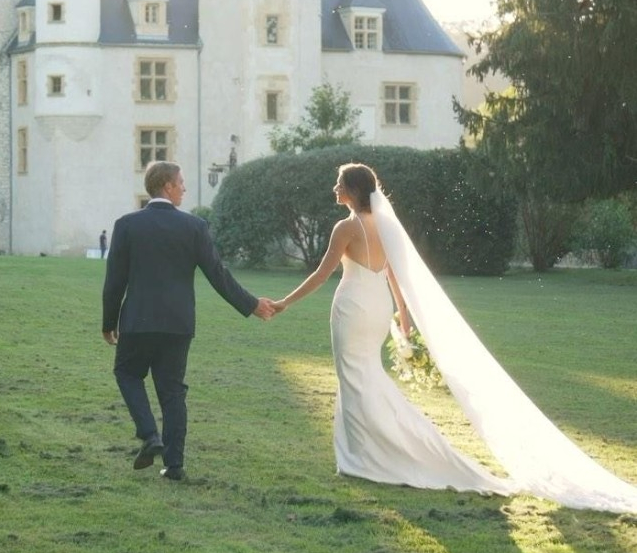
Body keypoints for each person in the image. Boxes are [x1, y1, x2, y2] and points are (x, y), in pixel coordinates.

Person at [273, 163, 637, 513]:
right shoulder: (384, 225)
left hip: (353, 307)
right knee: (366, 376)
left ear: (353, 190)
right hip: (378, 307)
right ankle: (366, 451)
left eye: (340, 184)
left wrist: (284, 302)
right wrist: (402, 315)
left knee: (354, 377)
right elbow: (394, 274)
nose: (335, 189)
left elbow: (322, 274)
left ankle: (363, 458)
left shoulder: (346, 228)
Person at [102, 160, 276, 481]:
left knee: (127, 373)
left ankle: (149, 435)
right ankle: (174, 466)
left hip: (138, 320)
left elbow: (115, 281)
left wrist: (108, 323)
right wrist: (251, 305)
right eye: (180, 182)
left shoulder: (126, 225)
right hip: (178, 323)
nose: (184, 187)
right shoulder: (194, 226)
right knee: (172, 392)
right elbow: (218, 275)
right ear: (167, 186)